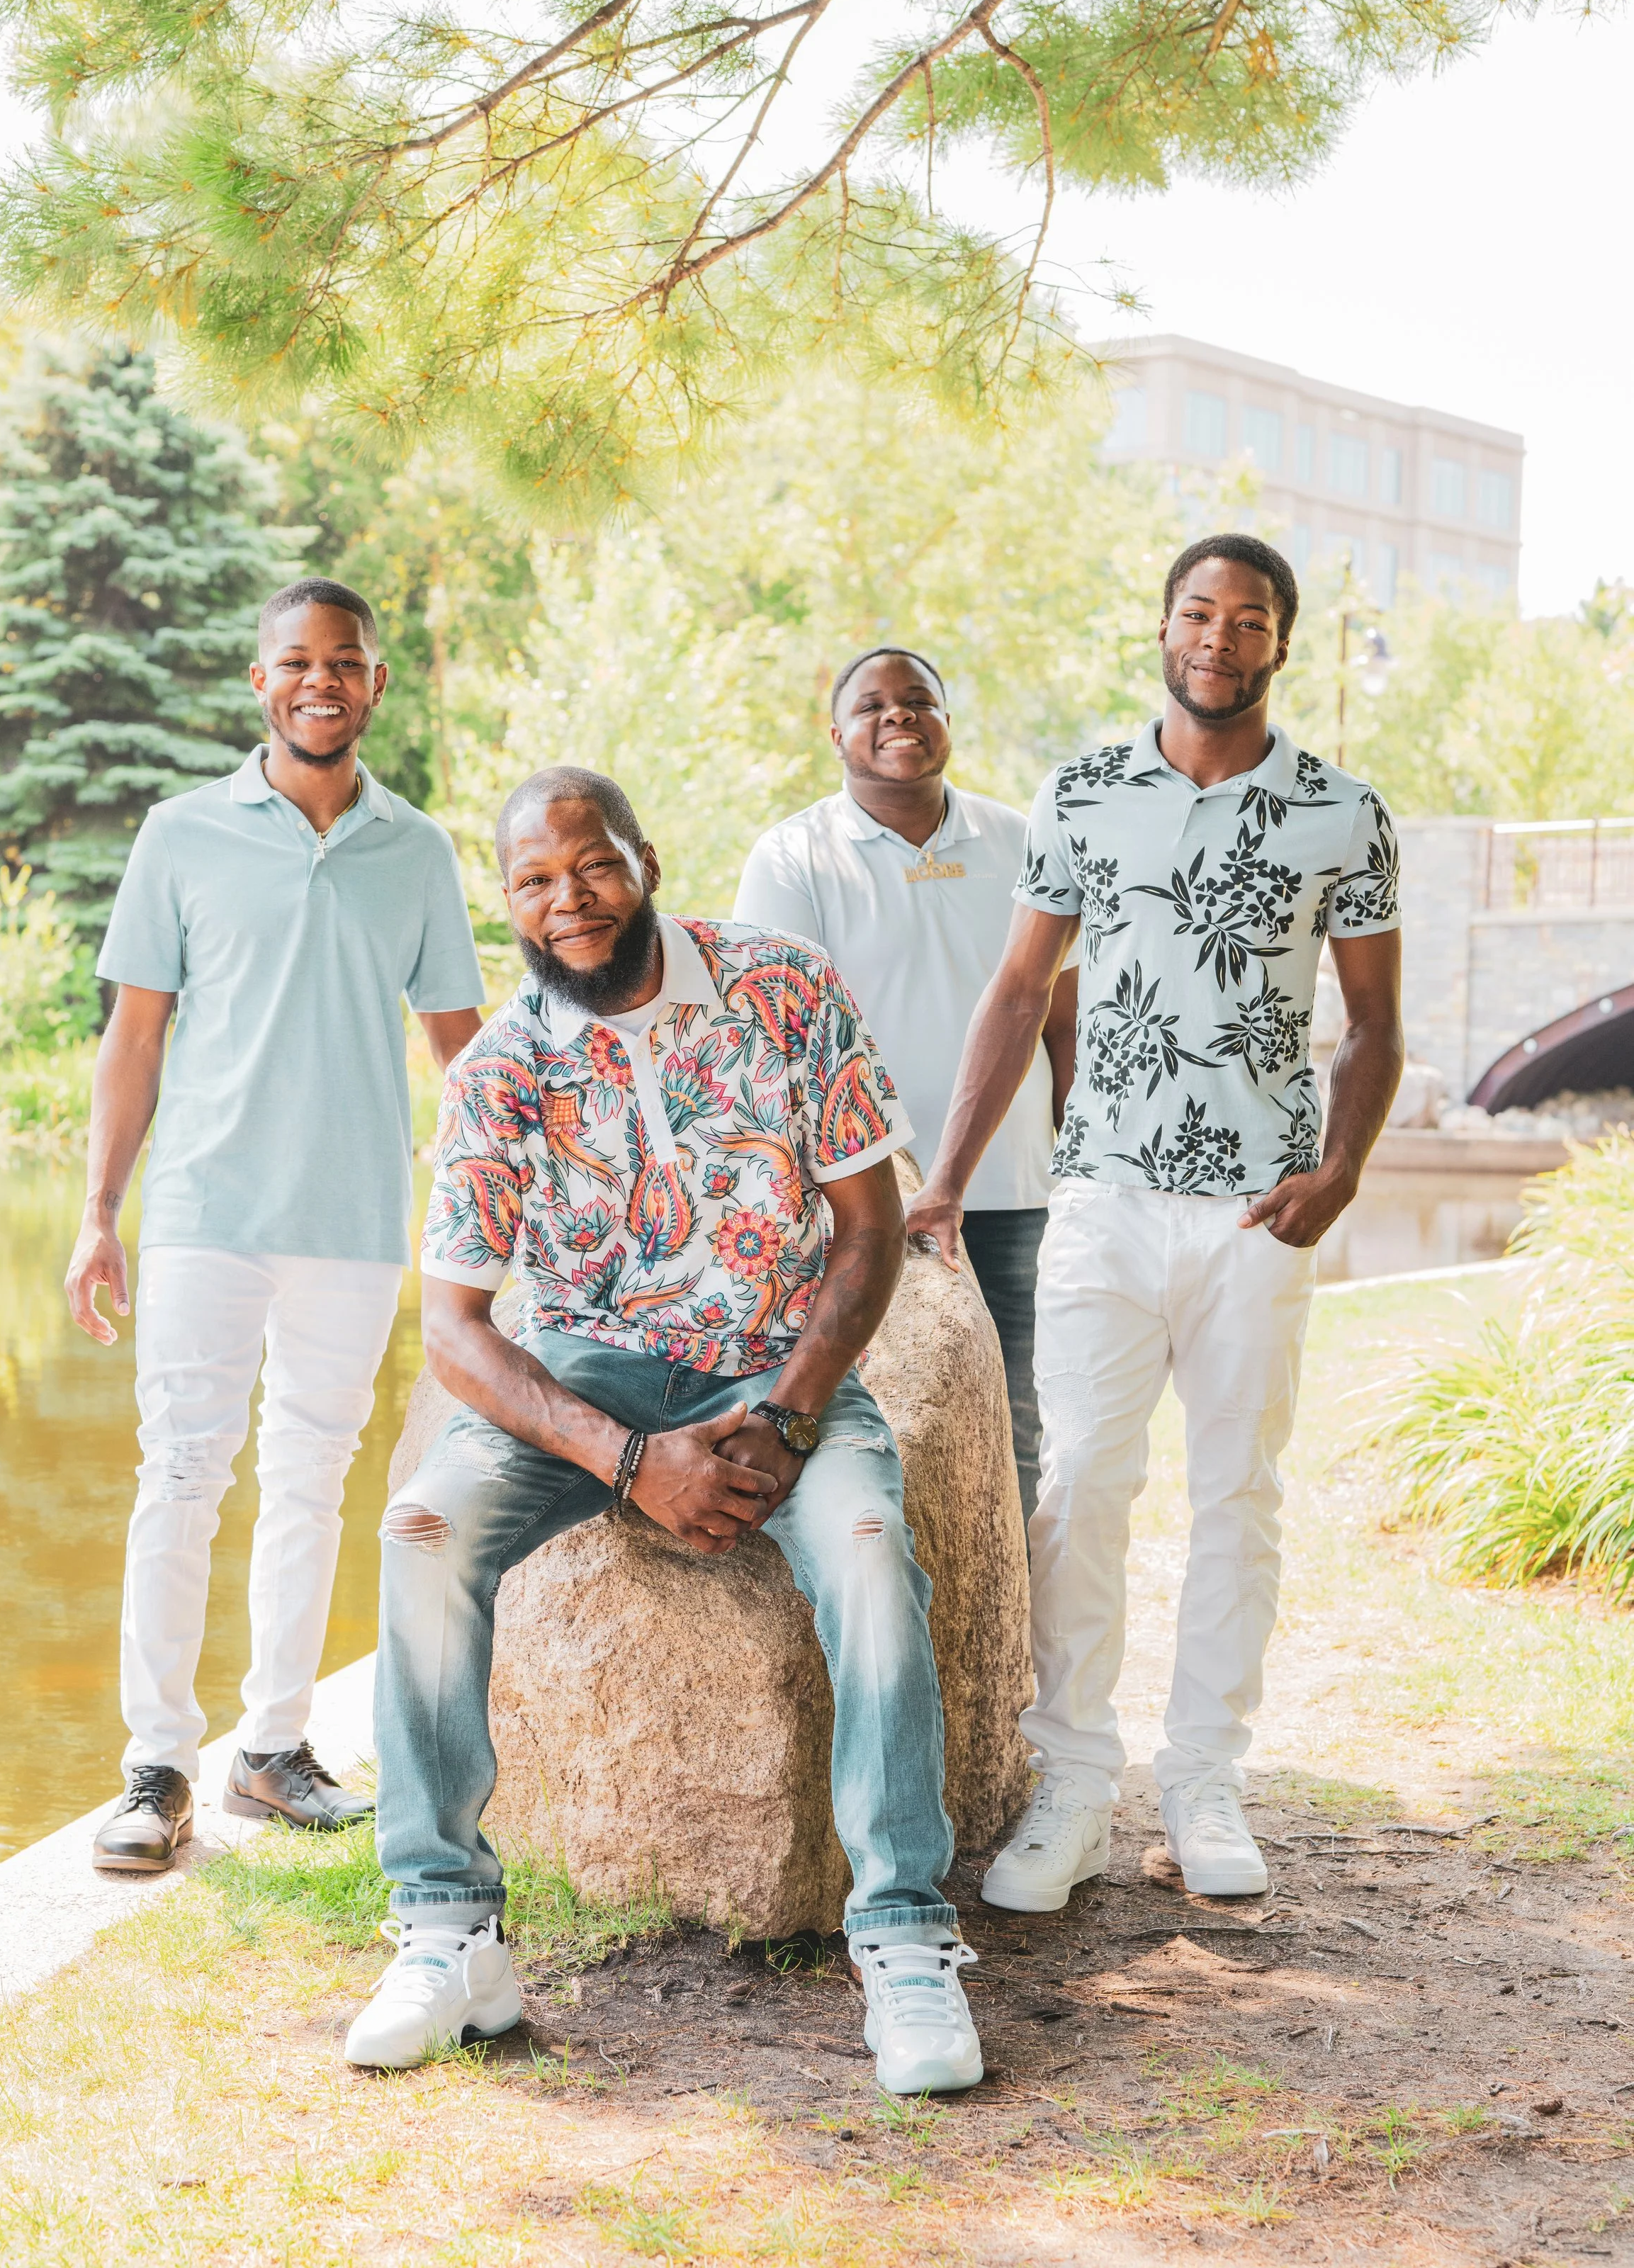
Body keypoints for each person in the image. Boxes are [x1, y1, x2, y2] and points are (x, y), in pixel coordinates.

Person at [346, 767, 984, 2096]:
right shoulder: (503, 1069)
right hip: (590, 1370)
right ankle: (448, 1929)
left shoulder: (783, 986)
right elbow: (458, 1330)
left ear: (644, 857)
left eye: (590, 866)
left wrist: (793, 1414)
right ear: (507, 905)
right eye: (533, 882)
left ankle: (907, 1942)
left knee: (868, 1543)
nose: (566, 901)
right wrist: (631, 1464)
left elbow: (868, 1232)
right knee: (418, 1527)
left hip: (775, 1358)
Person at [907, 535, 1403, 1907]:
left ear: (1279, 644)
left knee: (1237, 1488)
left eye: (1248, 619)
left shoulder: (1340, 813)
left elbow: (1370, 1027)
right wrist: (944, 1177)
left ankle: (1201, 1779)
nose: (1217, 637)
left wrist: (1341, 1167)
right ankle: (1070, 1774)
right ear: (1163, 624)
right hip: (1106, 1199)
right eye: (1198, 610)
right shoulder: (1081, 793)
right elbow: (1016, 994)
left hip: (1259, 1210)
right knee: (1077, 1483)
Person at [67, 577, 487, 1874]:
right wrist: (99, 1214)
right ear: (260, 681)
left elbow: (464, 1055)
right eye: (296, 662)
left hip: (355, 1222)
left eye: (346, 663)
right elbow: (133, 1038)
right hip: (203, 1212)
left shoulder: (416, 849)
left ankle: (271, 1746)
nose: (322, 681)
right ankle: (153, 1768)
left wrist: (527, 1203)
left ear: (374, 684)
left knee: (312, 1483)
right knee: (181, 1479)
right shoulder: (180, 835)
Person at [733, 645, 1078, 1528]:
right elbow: (775, 1041)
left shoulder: (1020, 838)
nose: (898, 716)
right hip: (859, 1204)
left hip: (1009, 1191)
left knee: (1015, 1416)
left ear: (948, 722)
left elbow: (1062, 1013)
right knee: (866, 1408)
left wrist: (1073, 1159)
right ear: (836, 732)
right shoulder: (794, 855)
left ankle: (1011, 1637)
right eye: (873, 704)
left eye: (919, 700)